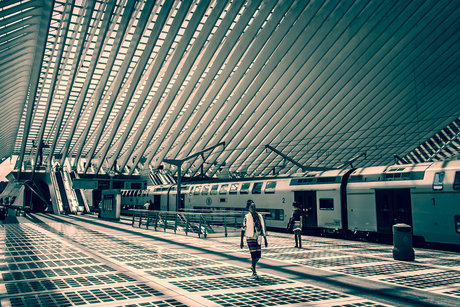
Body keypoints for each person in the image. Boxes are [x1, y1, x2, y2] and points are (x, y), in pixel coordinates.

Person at [240, 200, 268, 280]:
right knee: (253, 255)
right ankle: (254, 271)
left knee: (258, 256)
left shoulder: (259, 216)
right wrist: (241, 242)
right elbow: (242, 229)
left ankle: (253, 266)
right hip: (250, 237)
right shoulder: (247, 217)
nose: (254, 208)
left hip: (258, 237)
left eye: (254, 206)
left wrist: (265, 239)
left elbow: (262, 228)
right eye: (252, 207)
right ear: (248, 208)